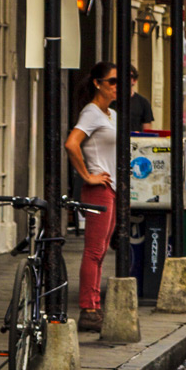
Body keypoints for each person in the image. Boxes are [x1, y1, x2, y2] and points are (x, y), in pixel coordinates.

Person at [65, 62, 121, 333]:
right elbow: (71, 143)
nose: (116, 86)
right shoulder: (91, 112)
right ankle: (88, 308)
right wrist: (87, 176)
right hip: (98, 188)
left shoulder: (110, 114)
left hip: (110, 189)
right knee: (94, 250)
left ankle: (94, 305)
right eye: (111, 81)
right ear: (98, 83)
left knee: (101, 251)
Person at [124, 66, 155, 132]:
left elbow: (147, 131)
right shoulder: (109, 101)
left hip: (135, 141)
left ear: (134, 80)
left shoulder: (143, 103)